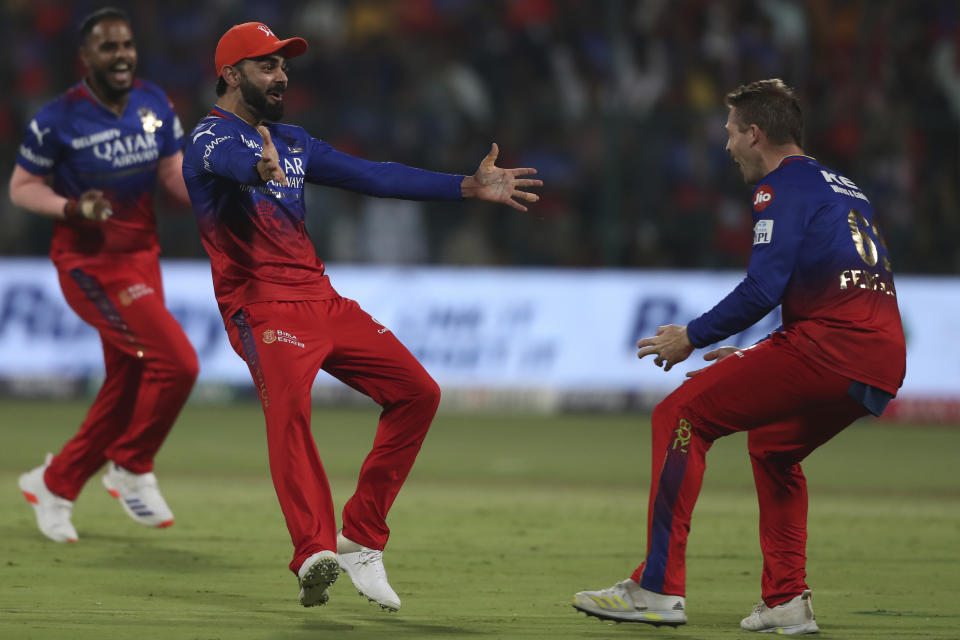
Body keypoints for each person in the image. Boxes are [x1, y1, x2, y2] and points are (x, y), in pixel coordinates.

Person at [181, 22, 541, 611]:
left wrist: (466, 187)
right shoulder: (206, 137)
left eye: (284, 64)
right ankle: (313, 552)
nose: (282, 75)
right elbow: (222, 161)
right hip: (260, 304)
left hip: (322, 299)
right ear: (230, 73)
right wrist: (257, 171)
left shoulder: (292, 140)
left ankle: (361, 538)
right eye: (267, 65)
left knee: (418, 393)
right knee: (290, 414)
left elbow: (376, 174)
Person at [572, 79, 906, 634]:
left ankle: (656, 587)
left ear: (755, 134)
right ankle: (786, 601)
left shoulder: (778, 188)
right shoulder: (844, 186)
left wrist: (692, 336)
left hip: (830, 346)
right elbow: (831, 294)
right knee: (773, 447)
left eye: (729, 133)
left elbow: (761, 290)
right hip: (880, 355)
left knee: (679, 415)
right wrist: (758, 356)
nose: (725, 146)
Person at [11, 7, 198, 543]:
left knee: (131, 378)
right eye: (109, 48)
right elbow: (21, 187)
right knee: (178, 364)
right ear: (86, 57)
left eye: (127, 46)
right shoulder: (57, 118)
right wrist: (72, 209)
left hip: (143, 257)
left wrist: (218, 191)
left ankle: (56, 483)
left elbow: (172, 176)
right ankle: (132, 464)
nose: (121, 56)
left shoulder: (154, 101)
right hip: (91, 266)